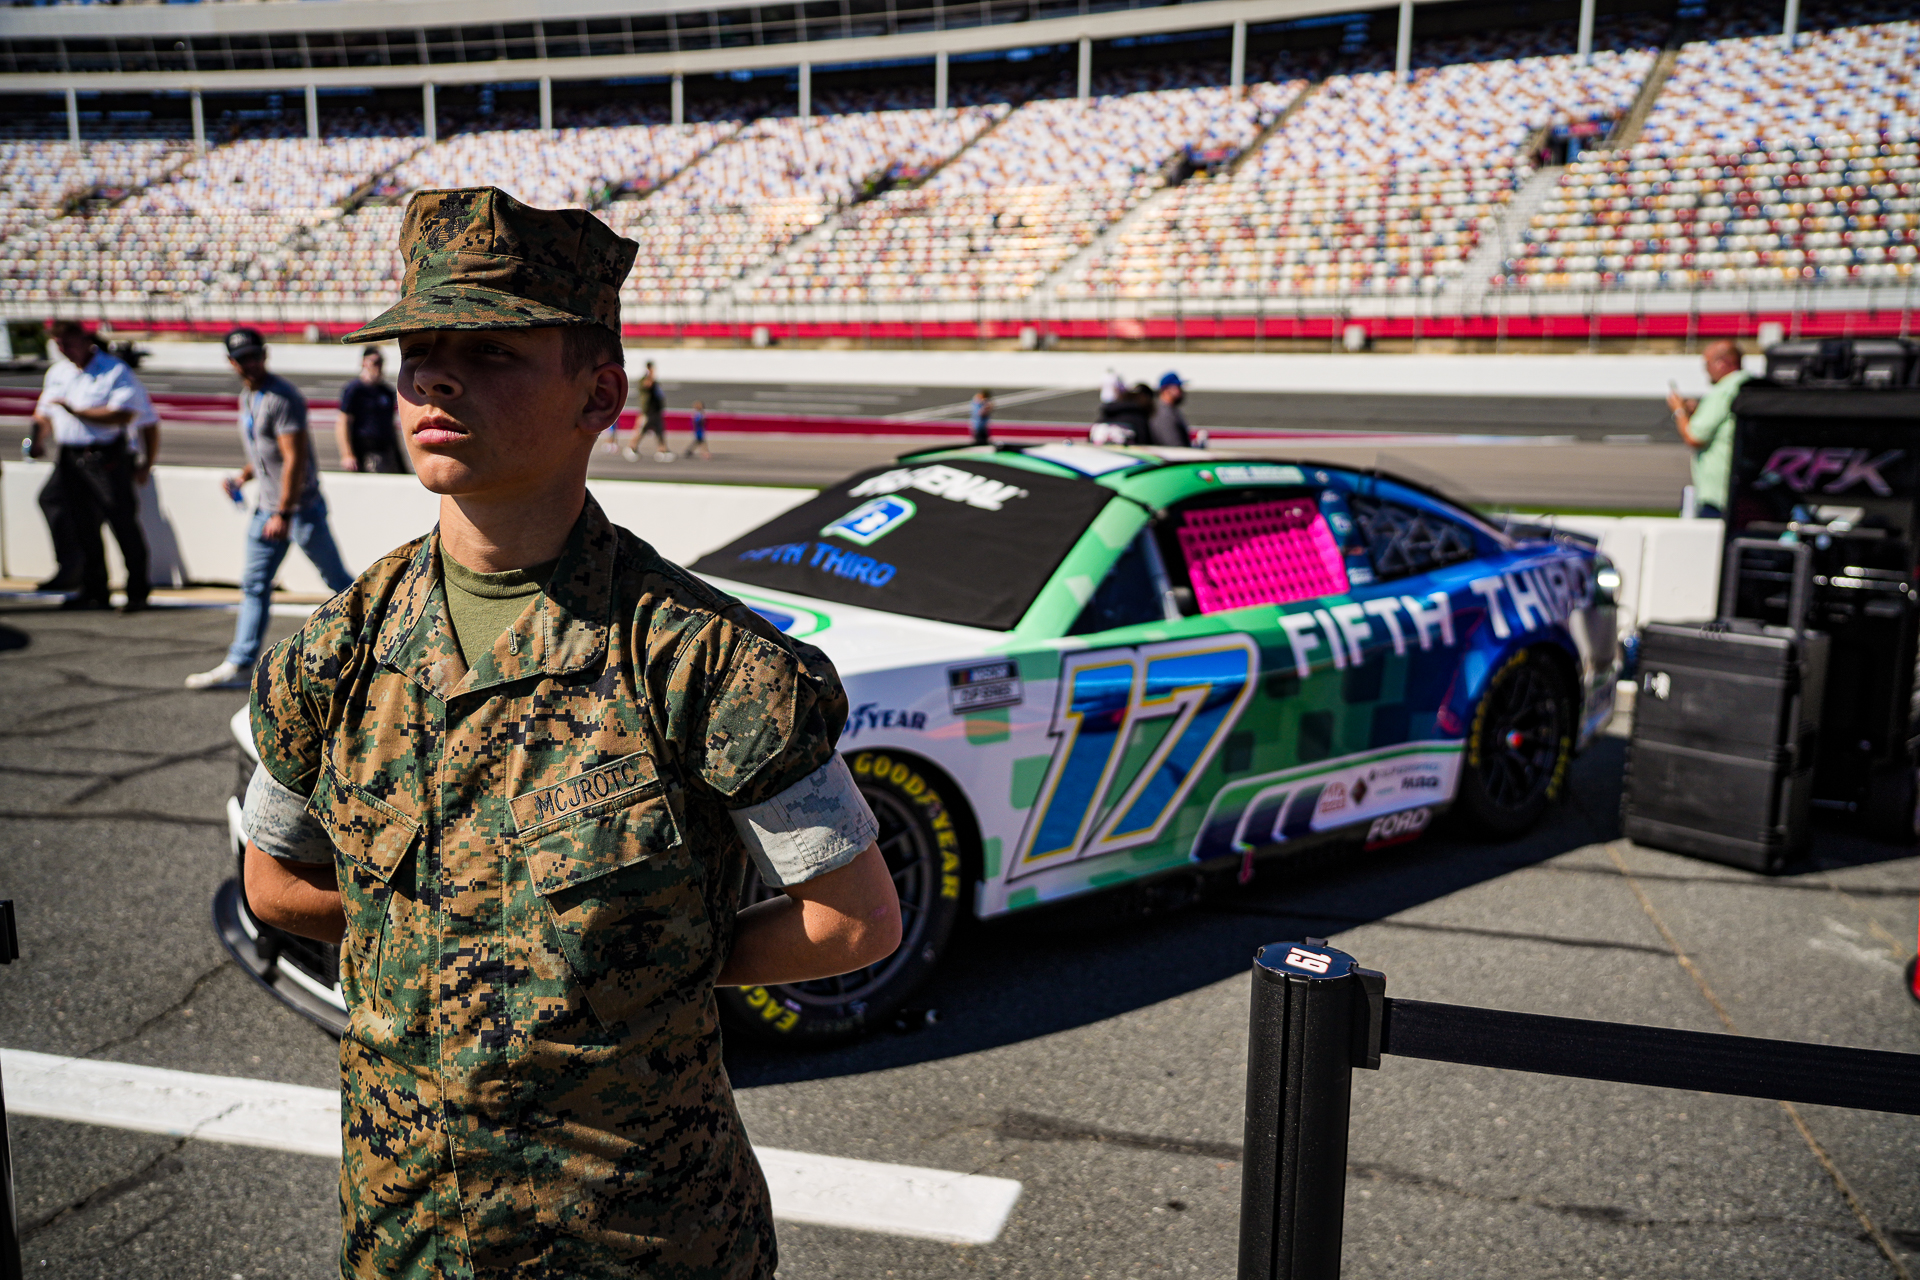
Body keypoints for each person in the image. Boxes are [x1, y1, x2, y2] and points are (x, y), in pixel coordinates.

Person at [236, 186, 901, 1279]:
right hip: (411, 1230)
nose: (438, 376)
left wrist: (640, 968)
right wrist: (447, 949)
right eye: (419, 347)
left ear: (600, 392)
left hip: (640, 1235)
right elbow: (274, 882)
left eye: (492, 349)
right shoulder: (338, 648)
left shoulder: (705, 660)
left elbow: (851, 921)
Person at [185, 329, 354, 689]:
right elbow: (265, 453)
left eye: (255, 355)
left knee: (338, 583)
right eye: (243, 357)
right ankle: (241, 663)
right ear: (231, 363)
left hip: (298, 510)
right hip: (268, 509)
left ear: (265, 355)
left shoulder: (283, 397)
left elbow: (294, 459)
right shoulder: (248, 397)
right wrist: (244, 477)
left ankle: (377, 650)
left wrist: (284, 512)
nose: (250, 363)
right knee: (254, 585)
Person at [28, 319, 159, 612]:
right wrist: (36, 439)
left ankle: (137, 590)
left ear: (86, 341)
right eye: (60, 344)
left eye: (69, 343)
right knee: (76, 519)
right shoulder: (59, 372)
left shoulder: (114, 371)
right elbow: (44, 413)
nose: (65, 349)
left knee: (121, 521)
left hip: (105, 455)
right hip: (70, 455)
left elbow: (122, 416)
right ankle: (93, 586)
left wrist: (77, 411)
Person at [1668, 339, 1749, 519]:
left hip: (1719, 495)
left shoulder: (1724, 390)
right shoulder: (1746, 384)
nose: (1705, 370)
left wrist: (1679, 410)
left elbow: (1694, 437)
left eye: (1707, 363)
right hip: (1743, 488)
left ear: (1722, 363)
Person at [334, 346, 406, 473]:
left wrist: (399, 458)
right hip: (364, 448)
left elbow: (390, 426)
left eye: (380, 362)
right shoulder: (355, 389)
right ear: (364, 363)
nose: (378, 366)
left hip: (385, 448)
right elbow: (343, 422)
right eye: (374, 362)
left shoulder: (386, 392)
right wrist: (347, 454)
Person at [625, 358, 672, 461]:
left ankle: (662, 450)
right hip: (647, 411)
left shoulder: (654, 381)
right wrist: (650, 375)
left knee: (660, 432)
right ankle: (631, 448)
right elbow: (647, 385)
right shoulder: (645, 379)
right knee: (640, 431)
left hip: (656, 411)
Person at [1147, 372, 1192, 448]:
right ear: (1166, 390)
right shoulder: (1163, 413)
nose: (1181, 391)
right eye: (1178, 387)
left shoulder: (1170, 410)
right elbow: (1173, 445)